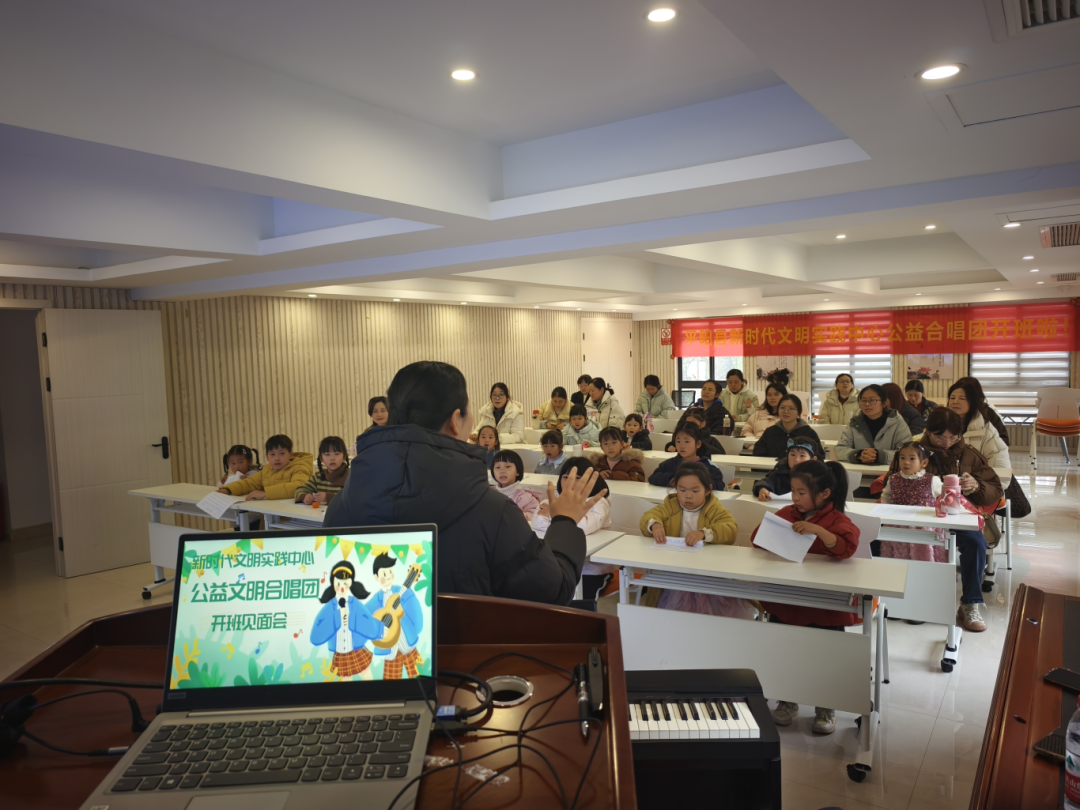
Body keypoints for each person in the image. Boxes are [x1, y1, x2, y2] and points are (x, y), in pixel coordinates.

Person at [324, 360, 604, 605]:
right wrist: (565, 522)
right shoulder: (493, 513)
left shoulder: (341, 506)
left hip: (369, 648)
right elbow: (553, 590)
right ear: (455, 421)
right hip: (463, 652)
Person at [752, 460, 860, 735]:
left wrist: (820, 532)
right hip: (788, 600)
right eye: (793, 491)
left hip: (824, 605)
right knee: (786, 651)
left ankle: (826, 705)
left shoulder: (837, 520)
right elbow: (757, 539)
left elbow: (847, 547)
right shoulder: (787, 513)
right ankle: (788, 699)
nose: (795, 498)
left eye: (801, 492)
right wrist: (772, 530)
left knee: (825, 657)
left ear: (824, 494)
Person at [919, 407, 1002, 632]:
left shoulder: (969, 455)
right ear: (928, 431)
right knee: (899, 538)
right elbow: (893, 480)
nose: (947, 443)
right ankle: (915, 598)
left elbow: (995, 489)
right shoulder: (913, 451)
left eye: (953, 437)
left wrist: (975, 486)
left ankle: (969, 604)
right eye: (940, 437)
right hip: (922, 517)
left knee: (976, 543)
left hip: (957, 516)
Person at [641, 463, 754, 619]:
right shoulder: (670, 506)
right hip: (676, 570)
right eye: (682, 490)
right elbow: (648, 516)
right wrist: (655, 524)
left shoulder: (713, 508)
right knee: (674, 614)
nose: (688, 496)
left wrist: (704, 533)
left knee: (709, 613)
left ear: (707, 490)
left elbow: (730, 528)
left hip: (707, 572)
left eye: (695, 491)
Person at [532, 457, 614, 600]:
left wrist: (554, 514)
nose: (571, 481)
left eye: (578, 478)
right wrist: (558, 516)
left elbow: (584, 527)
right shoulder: (554, 499)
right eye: (566, 477)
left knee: (580, 602)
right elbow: (537, 523)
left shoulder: (598, 503)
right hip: (558, 564)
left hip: (591, 569)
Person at [310, 560, 384, 681]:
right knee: (345, 678)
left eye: (345, 583)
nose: (342, 587)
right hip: (340, 653)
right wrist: (336, 618)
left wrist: (380, 630)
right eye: (338, 583)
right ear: (333, 583)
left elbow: (368, 621)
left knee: (365, 672)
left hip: (356, 649)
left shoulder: (354, 603)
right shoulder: (330, 607)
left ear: (350, 583)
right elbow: (316, 635)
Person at [878, 442, 947, 564]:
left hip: (923, 526)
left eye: (912, 459)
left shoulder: (932, 480)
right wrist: (886, 514)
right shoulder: (893, 479)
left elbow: (946, 497)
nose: (906, 462)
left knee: (922, 555)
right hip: (898, 524)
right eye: (902, 458)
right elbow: (886, 496)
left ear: (924, 463)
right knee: (898, 555)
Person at [368, 553, 424, 679]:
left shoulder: (402, 592)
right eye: (384, 573)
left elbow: (414, 608)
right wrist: (378, 629)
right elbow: (365, 615)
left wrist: (416, 628)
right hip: (390, 651)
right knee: (389, 686)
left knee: (421, 680)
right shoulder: (377, 598)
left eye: (390, 572)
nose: (388, 576)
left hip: (408, 646)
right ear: (376, 577)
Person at [834, 384, 913, 469]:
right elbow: (839, 450)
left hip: (888, 473)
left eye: (872, 400)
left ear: (884, 403)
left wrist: (879, 456)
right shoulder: (855, 423)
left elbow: (907, 453)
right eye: (864, 400)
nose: (867, 404)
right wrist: (859, 454)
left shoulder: (897, 423)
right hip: (860, 472)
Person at [218, 434, 313, 501]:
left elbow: (298, 487)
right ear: (267, 457)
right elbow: (250, 483)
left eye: (281, 453)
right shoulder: (267, 469)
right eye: (272, 454)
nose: (276, 458)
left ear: (290, 455)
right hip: (270, 516)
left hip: (292, 518)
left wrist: (265, 494)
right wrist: (228, 489)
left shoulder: (300, 467)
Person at [947, 380, 1011, 469]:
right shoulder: (940, 423)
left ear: (973, 401)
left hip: (979, 474)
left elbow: (998, 463)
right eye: (952, 398)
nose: (955, 402)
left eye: (962, 398)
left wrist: (977, 476)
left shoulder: (986, 428)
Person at [649, 425, 726, 490]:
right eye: (678, 442)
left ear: (698, 444)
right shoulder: (669, 463)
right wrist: (671, 478)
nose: (682, 446)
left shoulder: (707, 465)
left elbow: (719, 484)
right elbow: (653, 477)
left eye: (687, 442)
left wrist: (698, 483)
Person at [753, 437, 825, 501]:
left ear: (813, 459)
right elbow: (766, 482)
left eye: (802, 456)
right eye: (793, 455)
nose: (796, 460)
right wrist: (762, 489)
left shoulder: (818, 477)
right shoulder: (780, 472)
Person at [752, 394, 820, 459]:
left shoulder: (808, 433)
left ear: (799, 412)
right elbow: (758, 453)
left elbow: (819, 456)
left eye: (791, 408)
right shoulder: (769, 432)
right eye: (782, 408)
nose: (786, 411)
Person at [952, 376, 1010, 445]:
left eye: (962, 398)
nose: (956, 402)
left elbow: (1003, 441)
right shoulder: (947, 414)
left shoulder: (987, 413)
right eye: (953, 397)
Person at [295, 436, 350, 505]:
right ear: (321, 458)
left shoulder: (351, 476)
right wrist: (304, 497)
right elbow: (300, 490)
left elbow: (354, 498)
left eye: (337, 454)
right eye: (327, 454)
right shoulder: (318, 476)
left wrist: (329, 498)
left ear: (344, 457)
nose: (332, 458)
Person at [490, 449, 543, 517]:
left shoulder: (525, 497)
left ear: (517, 471)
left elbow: (535, 515)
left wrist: (518, 515)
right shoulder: (490, 493)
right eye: (498, 467)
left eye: (507, 467)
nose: (502, 471)